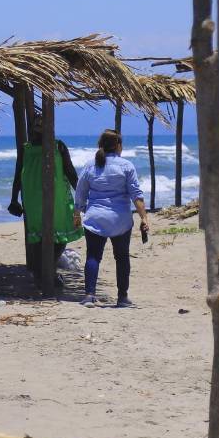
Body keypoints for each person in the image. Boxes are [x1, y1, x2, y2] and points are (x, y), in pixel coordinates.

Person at [73, 128, 149, 307]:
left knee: (93, 256)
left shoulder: (90, 165)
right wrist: (144, 217)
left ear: (101, 145)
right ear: (118, 146)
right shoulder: (127, 166)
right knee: (122, 257)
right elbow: (136, 195)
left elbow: (80, 192)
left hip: (95, 218)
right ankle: (122, 297)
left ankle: (89, 295)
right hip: (120, 219)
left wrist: (78, 212)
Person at [8, 116, 81, 288]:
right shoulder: (56, 146)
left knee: (41, 237)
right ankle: (46, 273)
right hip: (54, 198)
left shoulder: (30, 149)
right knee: (59, 235)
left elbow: (18, 175)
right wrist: (81, 194)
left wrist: (14, 199)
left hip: (34, 199)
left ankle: (43, 273)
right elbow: (70, 172)